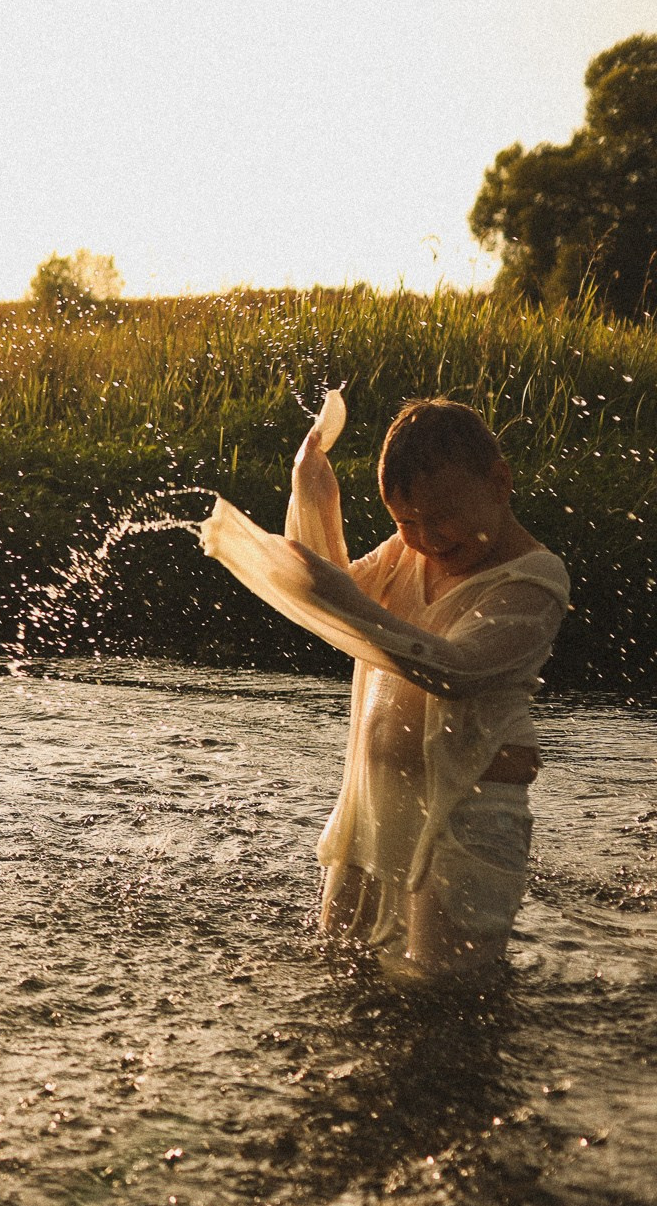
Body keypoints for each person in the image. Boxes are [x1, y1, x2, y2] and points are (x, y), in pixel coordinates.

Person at [203, 395, 569, 982]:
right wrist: (313, 493)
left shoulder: (534, 578)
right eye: (406, 521)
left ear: (498, 482)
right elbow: (332, 597)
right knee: (349, 979)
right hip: (376, 804)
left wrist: (349, 601)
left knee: (441, 992)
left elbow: (455, 669)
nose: (427, 537)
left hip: (467, 820)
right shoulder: (407, 552)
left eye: (443, 516)